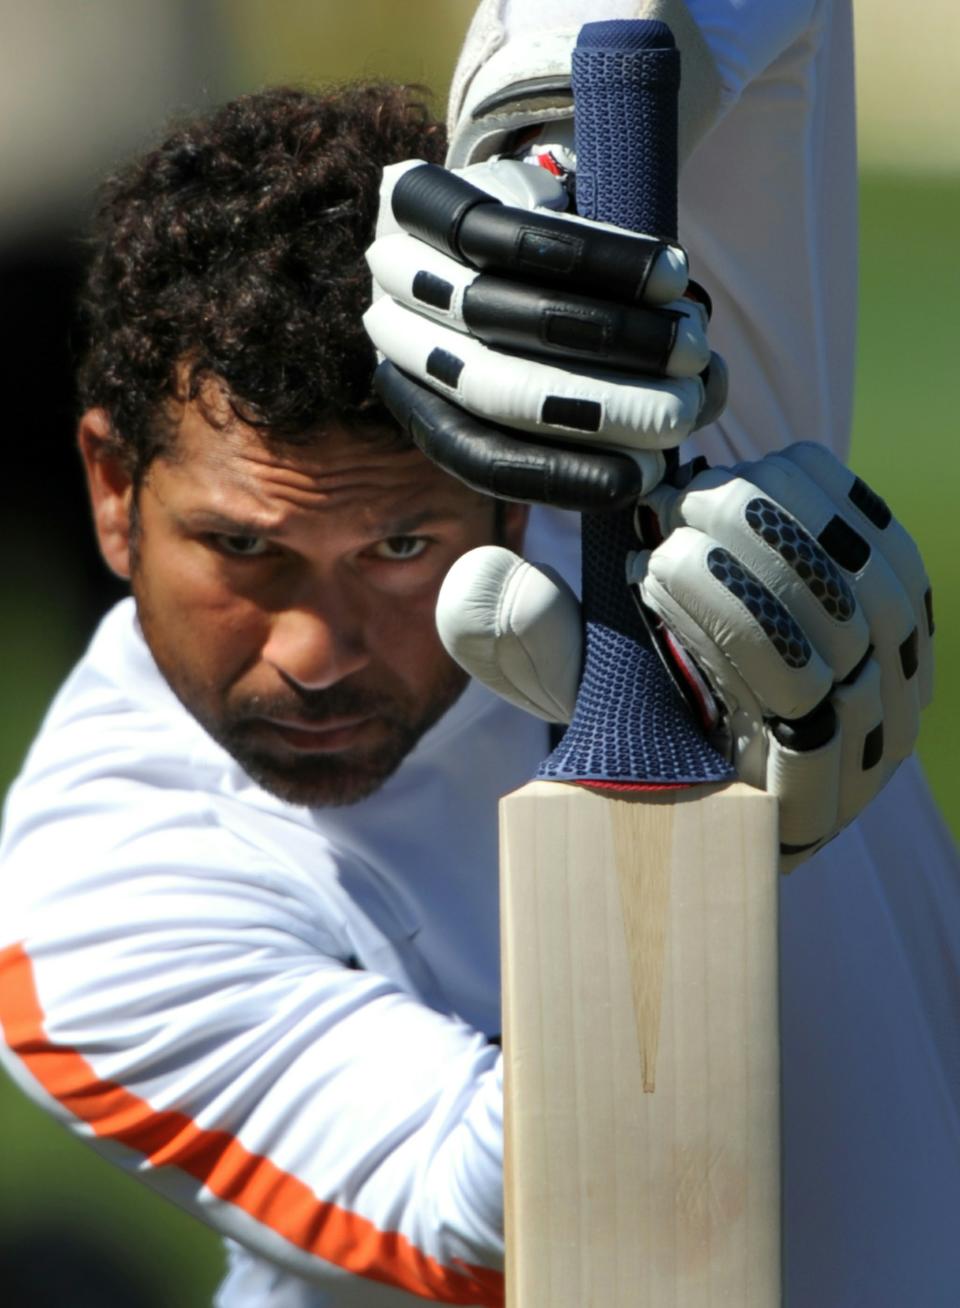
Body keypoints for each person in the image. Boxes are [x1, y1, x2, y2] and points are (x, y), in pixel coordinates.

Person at [0, 9, 956, 1308]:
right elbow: (512, 1225)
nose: (316, 649)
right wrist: (716, 857)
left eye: (398, 544)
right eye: (243, 549)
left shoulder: (647, 425)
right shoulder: (94, 893)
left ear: (513, 506)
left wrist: (552, 139)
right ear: (113, 490)